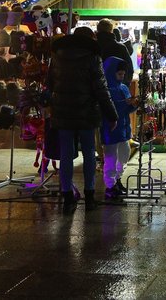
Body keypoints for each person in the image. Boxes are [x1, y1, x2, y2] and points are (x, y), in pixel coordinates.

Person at [47, 26, 118, 214]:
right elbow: (101, 89)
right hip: (87, 112)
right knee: (89, 154)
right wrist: (112, 114)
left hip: (62, 111)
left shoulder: (57, 56)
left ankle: (68, 197)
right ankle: (89, 196)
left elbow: (50, 84)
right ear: (90, 39)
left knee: (66, 155)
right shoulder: (93, 57)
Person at [101, 56, 138, 200]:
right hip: (111, 128)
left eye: (123, 74)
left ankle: (117, 179)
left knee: (124, 154)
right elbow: (112, 109)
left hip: (123, 128)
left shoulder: (123, 87)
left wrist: (133, 105)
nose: (121, 77)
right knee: (111, 157)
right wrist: (127, 104)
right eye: (119, 74)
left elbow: (126, 110)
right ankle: (110, 185)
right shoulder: (106, 90)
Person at [96, 19, 135, 85]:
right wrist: (124, 86)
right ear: (111, 30)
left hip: (96, 88)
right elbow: (129, 68)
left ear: (98, 29)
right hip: (115, 87)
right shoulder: (120, 47)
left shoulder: (92, 46)